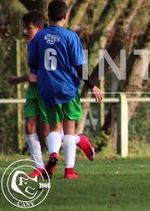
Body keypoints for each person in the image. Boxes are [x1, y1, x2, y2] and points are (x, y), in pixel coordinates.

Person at [7, 11, 97, 178]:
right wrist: (22, 78)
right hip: (35, 90)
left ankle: (79, 141)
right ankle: (39, 166)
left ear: (40, 28)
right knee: (30, 126)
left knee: (50, 132)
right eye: (24, 28)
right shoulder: (35, 42)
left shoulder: (45, 39)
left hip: (46, 88)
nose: (25, 32)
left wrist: (27, 77)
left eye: (29, 28)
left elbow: (41, 71)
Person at [28, 0, 104, 179]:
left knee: (55, 127)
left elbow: (32, 62)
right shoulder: (71, 37)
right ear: (65, 16)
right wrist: (93, 85)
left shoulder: (39, 36)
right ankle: (69, 171)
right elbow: (79, 66)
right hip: (67, 89)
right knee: (69, 129)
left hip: (47, 88)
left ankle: (53, 155)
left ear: (48, 16)